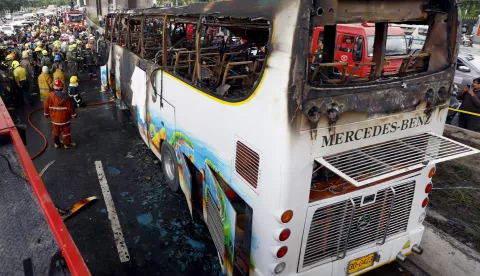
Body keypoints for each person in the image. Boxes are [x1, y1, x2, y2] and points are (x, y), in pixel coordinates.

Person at [44, 79, 77, 149]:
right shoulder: (66, 97)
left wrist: (46, 114)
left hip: (54, 118)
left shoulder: (49, 96)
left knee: (55, 130)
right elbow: (70, 108)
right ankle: (67, 144)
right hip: (64, 118)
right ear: (62, 87)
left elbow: (46, 106)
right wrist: (74, 115)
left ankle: (57, 143)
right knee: (66, 131)